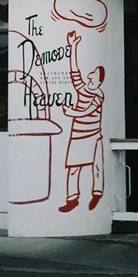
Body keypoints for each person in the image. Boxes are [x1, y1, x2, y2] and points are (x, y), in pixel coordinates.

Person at [58, 30, 105, 212]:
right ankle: (72, 199)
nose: (90, 74)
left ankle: (97, 194)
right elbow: (74, 71)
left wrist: (70, 112)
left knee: (97, 166)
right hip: (78, 133)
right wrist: (73, 47)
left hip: (93, 135)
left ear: (98, 81)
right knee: (73, 167)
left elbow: (87, 110)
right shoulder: (83, 88)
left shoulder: (98, 95)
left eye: (93, 73)